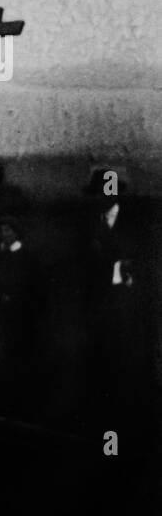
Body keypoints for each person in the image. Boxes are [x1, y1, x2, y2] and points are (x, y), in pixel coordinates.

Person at [81, 167, 147, 432]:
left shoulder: (134, 224)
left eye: (109, 192)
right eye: (99, 192)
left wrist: (120, 268)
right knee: (99, 355)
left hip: (126, 302)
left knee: (124, 355)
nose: (104, 197)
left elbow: (141, 261)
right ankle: (100, 413)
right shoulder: (89, 224)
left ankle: (126, 414)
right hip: (96, 302)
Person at [0, 215, 47, 417]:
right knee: (8, 348)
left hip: (25, 312)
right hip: (4, 313)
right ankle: (9, 392)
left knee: (25, 350)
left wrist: (19, 299)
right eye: (1, 231)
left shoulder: (28, 257)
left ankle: (26, 394)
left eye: (8, 230)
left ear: (16, 232)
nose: (4, 234)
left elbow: (36, 286)